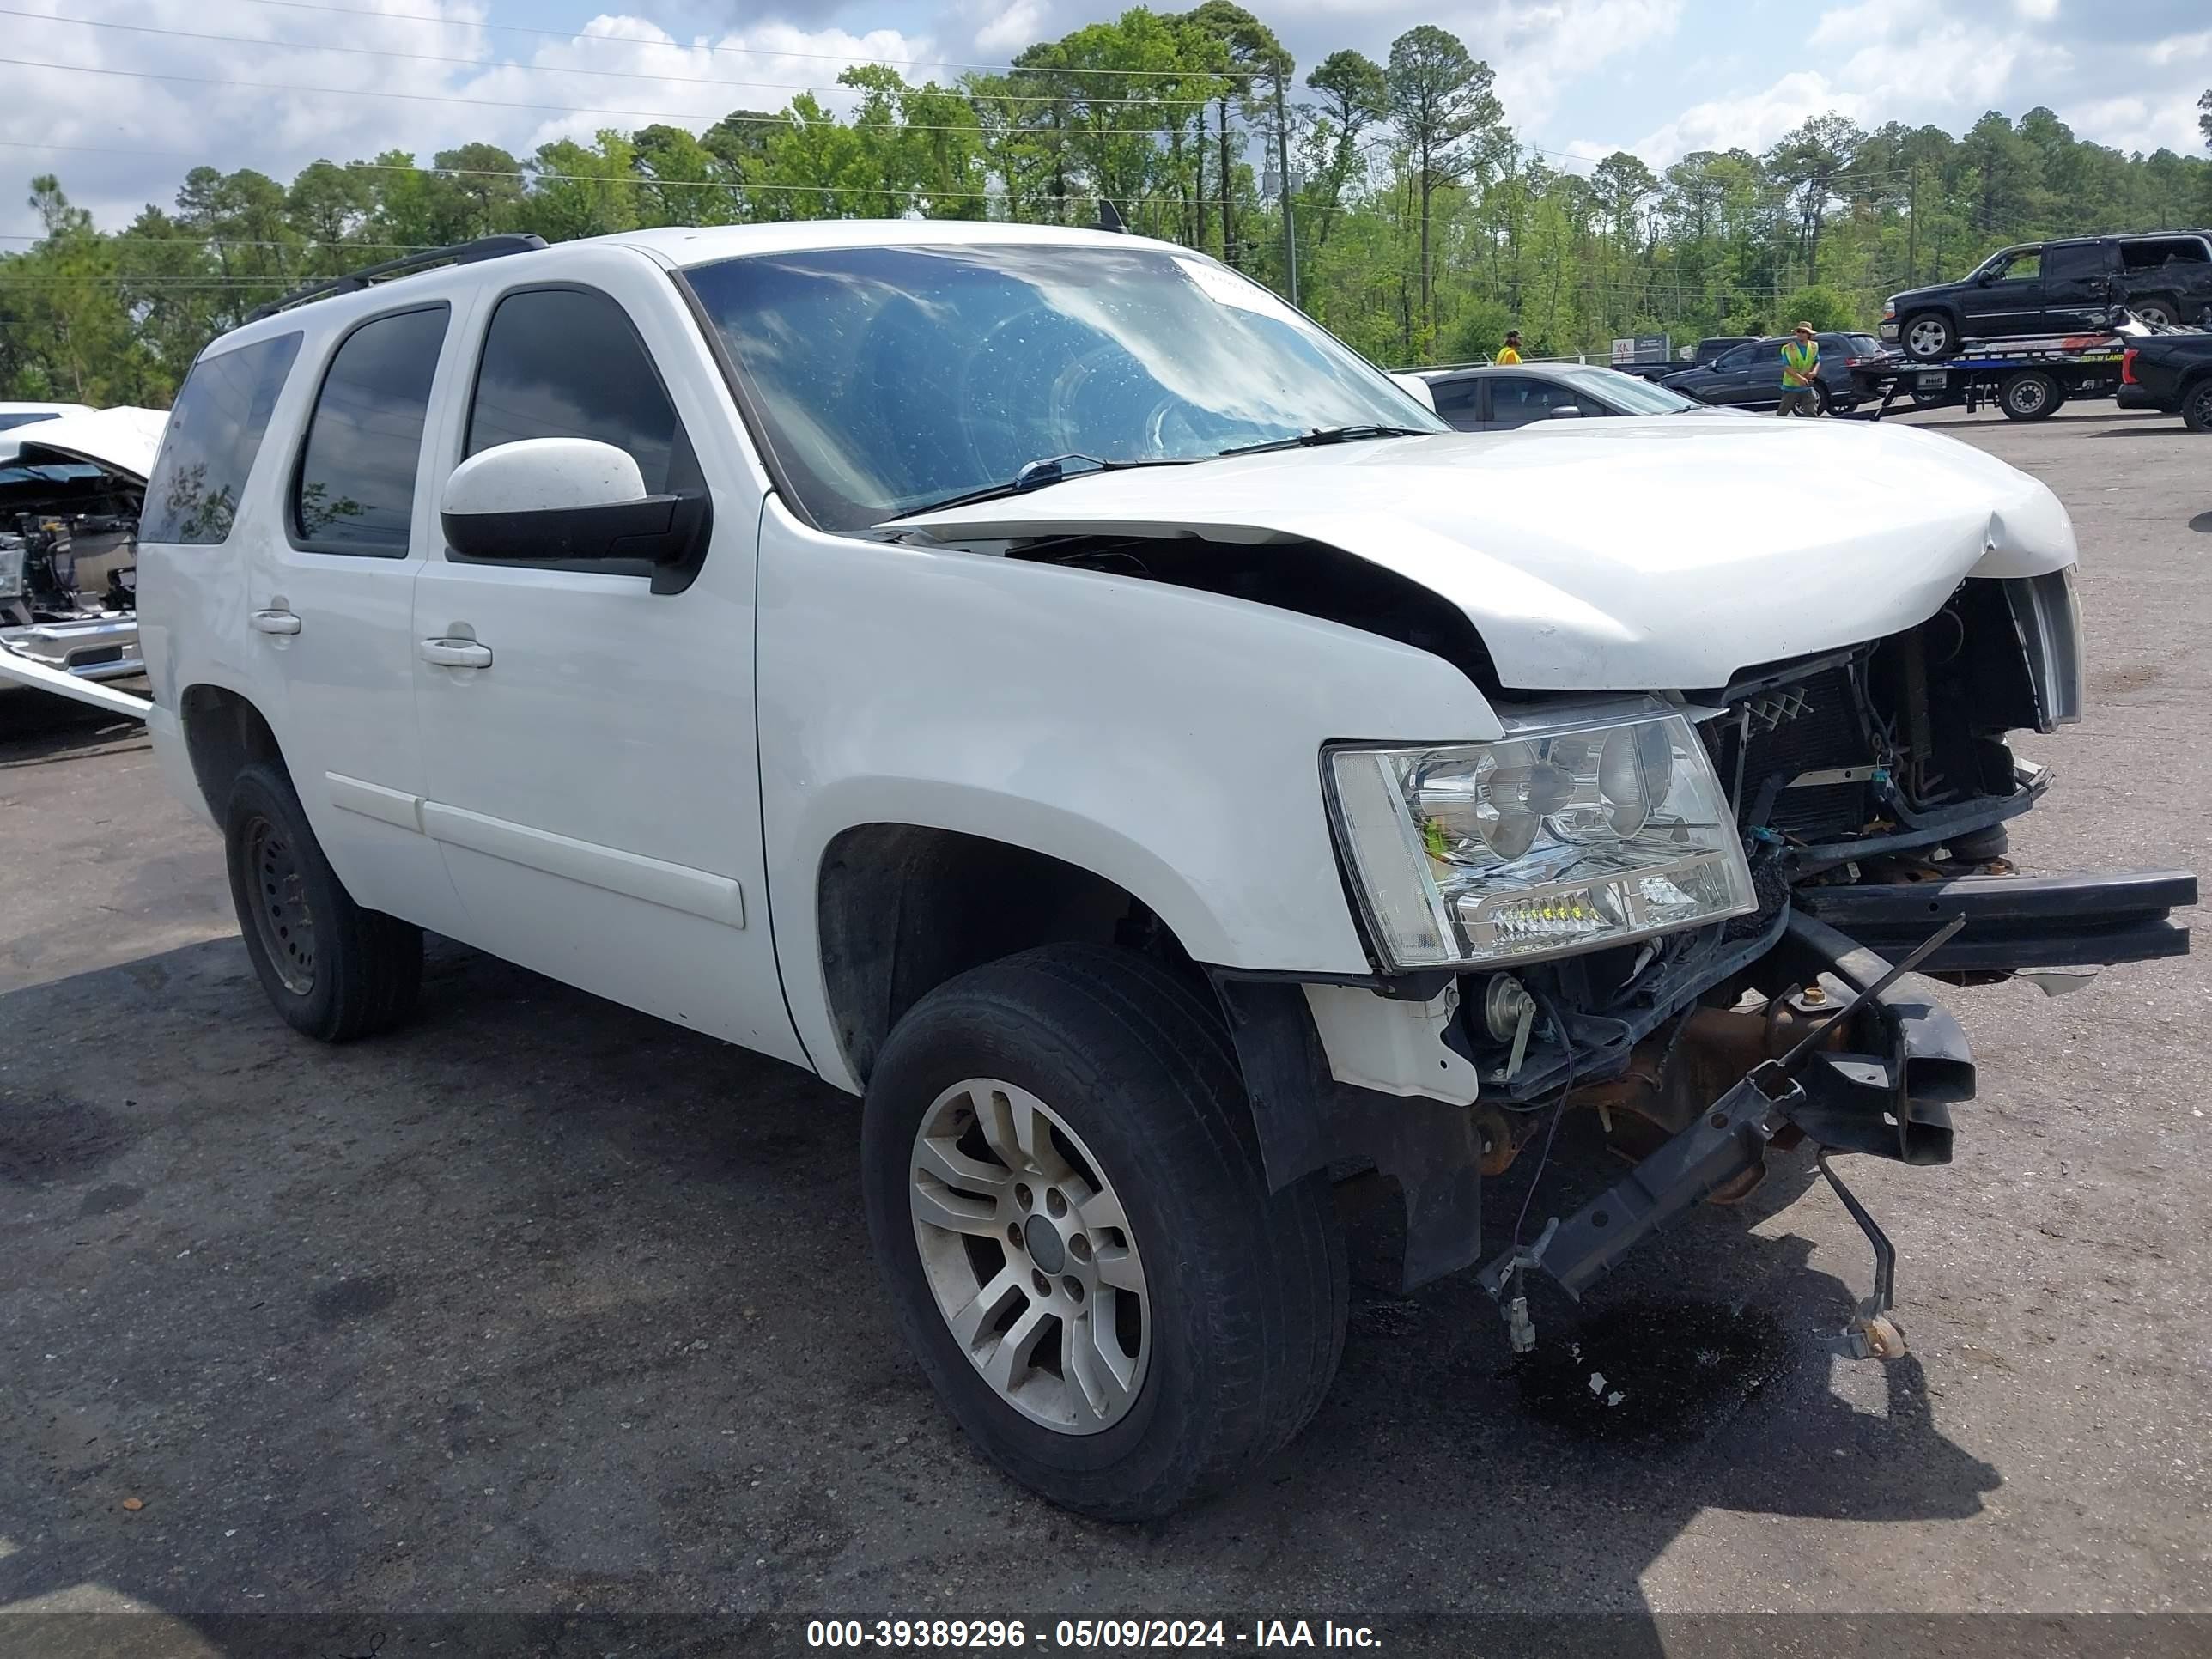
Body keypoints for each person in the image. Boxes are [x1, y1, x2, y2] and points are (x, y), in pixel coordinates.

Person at [1778, 323, 1821, 416]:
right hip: (1791, 387)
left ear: (1809, 334)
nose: (1800, 334)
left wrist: (1813, 373)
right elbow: (1786, 366)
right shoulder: (1789, 348)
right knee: (1782, 415)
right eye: (1799, 331)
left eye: (1804, 332)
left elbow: (1817, 361)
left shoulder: (1814, 347)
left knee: (1811, 414)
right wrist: (1800, 378)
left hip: (1806, 387)